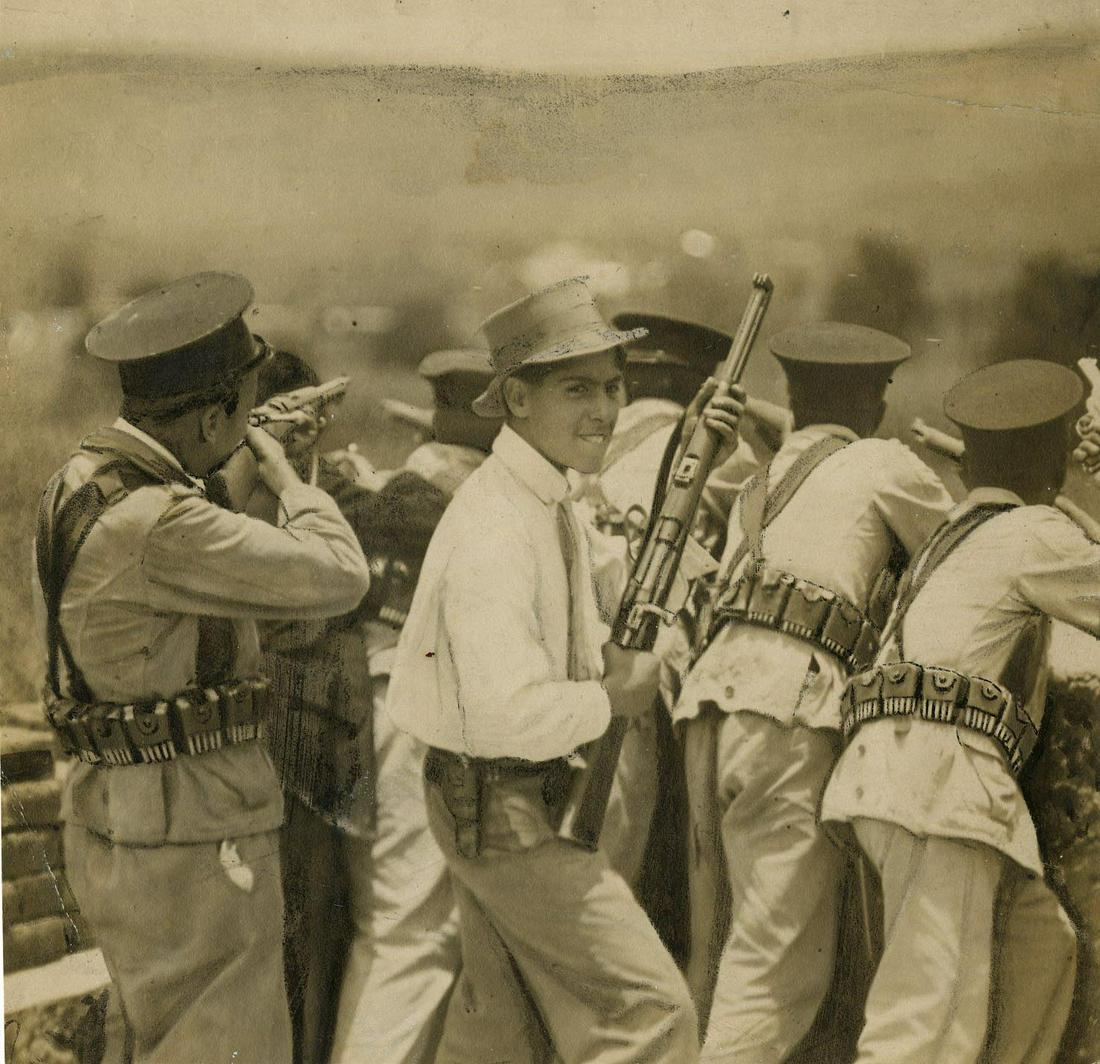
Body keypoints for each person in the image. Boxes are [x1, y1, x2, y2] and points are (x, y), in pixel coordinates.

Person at [387, 276, 743, 1064]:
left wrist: (696, 442)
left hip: (499, 803)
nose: (607, 410)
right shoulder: (495, 526)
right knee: (653, 1014)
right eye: (579, 389)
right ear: (515, 398)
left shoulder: (546, 500)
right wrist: (611, 698)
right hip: (506, 806)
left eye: (616, 387)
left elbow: (628, 574)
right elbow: (505, 711)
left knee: (500, 1038)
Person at [35, 273, 371, 1064]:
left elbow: (187, 516)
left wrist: (248, 457)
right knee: (229, 1046)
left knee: (159, 1041)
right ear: (214, 414)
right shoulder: (161, 526)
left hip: (119, 816)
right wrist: (288, 476)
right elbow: (340, 573)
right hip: (194, 830)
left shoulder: (82, 482)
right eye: (243, 411)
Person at [674, 321, 955, 1061]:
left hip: (712, 699)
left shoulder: (763, 481)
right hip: (790, 708)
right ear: (873, 399)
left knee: (717, 948)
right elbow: (960, 545)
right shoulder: (881, 462)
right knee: (778, 968)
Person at [820, 358, 1093, 1064]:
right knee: (922, 1026)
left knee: (1042, 947)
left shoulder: (953, 535)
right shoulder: (1034, 532)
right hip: (940, 785)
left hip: (893, 775)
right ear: (1056, 460)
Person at [325, 348, 503, 1064]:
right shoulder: (481, 498)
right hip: (419, 718)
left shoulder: (386, 489)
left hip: (353, 707)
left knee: (382, 933)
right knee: (415, 939)